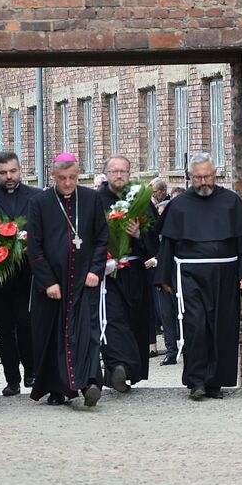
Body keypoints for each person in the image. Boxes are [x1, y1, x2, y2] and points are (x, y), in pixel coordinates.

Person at [154, 152, 242, 400]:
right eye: (198, 178)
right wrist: (164, 278)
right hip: (190, 274)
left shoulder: (230, 201)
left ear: (215, 174)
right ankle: (197, 381)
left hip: (225, 274)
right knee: (196, 325)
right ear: (190, 177)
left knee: (222, 326)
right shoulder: (178, 205)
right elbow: (167, 244)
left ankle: (216, 383)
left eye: (208, 176)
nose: (203, 182)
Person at [26, 153, 108, 407]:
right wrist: (47, 281)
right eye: (63, 179)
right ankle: (57, 389)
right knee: (53, 335)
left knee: (87, 332)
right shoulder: (39, 202)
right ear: (53, 177)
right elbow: (34, 246)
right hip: (54, 283)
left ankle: (90, 383)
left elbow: (101, 238)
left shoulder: (92, 198)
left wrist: (96, 269)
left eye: (72, 177)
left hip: (84, 280)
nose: (68, 183)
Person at [0, 151, 42, 397]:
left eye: (13, 171)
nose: (9, 177)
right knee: (4, 327)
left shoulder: (36, 197)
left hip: (27, 272)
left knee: (26, 322)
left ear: (20, 170)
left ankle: (32, 371)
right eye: (3, 173)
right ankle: (12, 379)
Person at [97, 156, 159, 393]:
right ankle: (117, 366)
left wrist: (137, 236)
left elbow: (156, 239)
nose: (119, 175)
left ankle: (126, 374)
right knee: (112, 320)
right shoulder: (95, 200)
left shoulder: (140, 200)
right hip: (107, 274)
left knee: (135, 321)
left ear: (129, 173)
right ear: (106, 174)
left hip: (134, 272)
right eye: (114, 171)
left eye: (123, 171)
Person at [148, 179, 179, 366]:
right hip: (161, 276)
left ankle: (183, 347)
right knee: (165, 314)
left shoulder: (174, 231)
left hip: (174, 274)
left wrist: (155, 260)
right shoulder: (156, 232)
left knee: (179, 313)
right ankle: (170, 350)